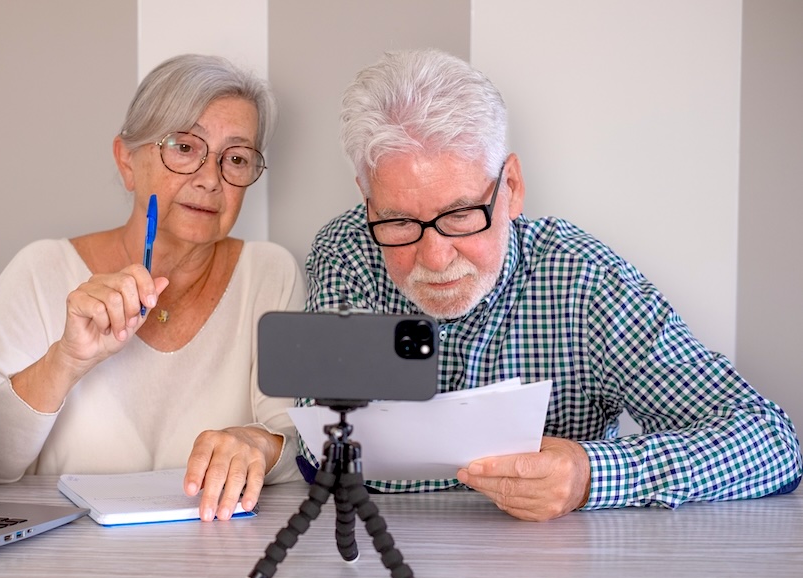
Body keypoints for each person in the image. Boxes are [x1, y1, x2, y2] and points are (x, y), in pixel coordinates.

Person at [297, 48, 802, 521]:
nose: (433, 258)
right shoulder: (348, 253)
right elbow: (328, 451)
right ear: (368, 204)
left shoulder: (586, 281)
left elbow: (771, 443)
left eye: (461, 214)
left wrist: (590, 475)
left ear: (510, 189)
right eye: (400, 222)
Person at [0, 54, 305, 522]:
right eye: (184, 147)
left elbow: (303, 444)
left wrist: (258, 442)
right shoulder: (40, 270)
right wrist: (67, 360)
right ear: (127, 162)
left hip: (217, 560)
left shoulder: (271, 274)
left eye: (235, 159)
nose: (209, 179)